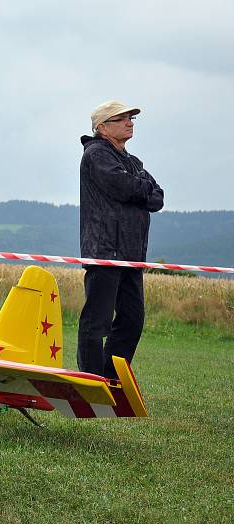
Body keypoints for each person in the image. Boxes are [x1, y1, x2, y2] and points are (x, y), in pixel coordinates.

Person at [77, 100, 164, 379]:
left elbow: (158, 197)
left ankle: (111, 376)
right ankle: (90, 380)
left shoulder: (133, 161)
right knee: (97, 321)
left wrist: (141, 189)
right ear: (102, 127)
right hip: (105, 250)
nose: (129, 123)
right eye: (121, 119)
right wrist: (142, 188)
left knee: (132, 320)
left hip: (132, 254)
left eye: (131, 118)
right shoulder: (96, 155)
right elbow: (124, 187)